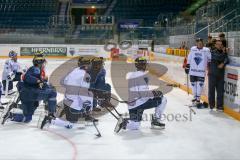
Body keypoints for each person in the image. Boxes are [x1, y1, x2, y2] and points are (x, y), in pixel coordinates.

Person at [114, 57, 167, 133]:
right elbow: (144, 94)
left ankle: (123, 123)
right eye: (143, 64)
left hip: (132, 105)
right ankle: (156, 121)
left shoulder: (132, 75)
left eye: (144, 64)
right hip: (140, 103)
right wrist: (155, 94)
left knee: (135, 126)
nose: (144, 66)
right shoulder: (142, 76)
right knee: (163, 99)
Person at [1, 52, 57, 124]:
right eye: (43, 62)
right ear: (40, 62)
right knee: (52, 93)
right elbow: (28, 77)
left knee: (28, 118)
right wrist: (39, 80)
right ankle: (50, 114)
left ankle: (11, 115)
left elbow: (28, 78)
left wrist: (42, 81)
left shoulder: (35, 69)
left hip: (27, 94)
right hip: (31, 93)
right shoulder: (36, 69)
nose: (44, 63)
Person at [41, 57, 95, 129]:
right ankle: (50, 119)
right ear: (87, 65)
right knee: (71, 124)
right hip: (74, 104)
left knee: (72, 120)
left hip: (66, 101)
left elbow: (62, 82)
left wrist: (73, 87)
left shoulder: (73, 70)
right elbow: (83, 93)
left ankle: (81, 115)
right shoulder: (86, 76)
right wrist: (88, 104)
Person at [185, 38, 211, 108]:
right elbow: (189, 58)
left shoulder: (206, 50)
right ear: (196, 43)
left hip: (201, 71)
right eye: (198, 42)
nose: (199, 44)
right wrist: (187, 66)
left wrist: (209, 68)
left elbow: (210, 59)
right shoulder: (193, 49)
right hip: (193, 71)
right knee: (193, 85)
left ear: (203, 43)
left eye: (201, 42)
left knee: (200, 85)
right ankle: (195, 98)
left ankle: (198, 99)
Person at [208, 39, 229, 111]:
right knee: (211, 91)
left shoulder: (224, 53)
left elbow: (227, 59)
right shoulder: (212, 52)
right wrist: (224, 54)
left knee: (220, 91)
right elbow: (218, 57)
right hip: (212, 74)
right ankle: (211, 105)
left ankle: (219, 106)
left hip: (220, 75)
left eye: (221, 45)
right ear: (215, 45)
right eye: (218, 44)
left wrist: (223, 63)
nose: (220, 46)